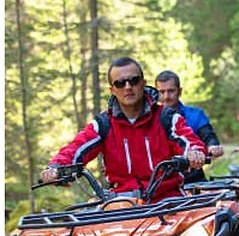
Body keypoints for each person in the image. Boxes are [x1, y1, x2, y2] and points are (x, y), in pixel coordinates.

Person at [40, 57, 206, 202]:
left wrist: (194, 153)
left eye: (133, 80)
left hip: (168, 201)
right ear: (112, 90)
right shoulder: (103, 124)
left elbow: (188, 140)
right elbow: (76, 148)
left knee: (200, 233)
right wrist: (56, 168)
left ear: (143, 82)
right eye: (120, 83)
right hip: (123, 205)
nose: (127, 87)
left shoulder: (166, 118)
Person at [155, 70, 223, 182]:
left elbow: (208, 135)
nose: (166, 96)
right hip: (160, 182)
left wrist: (213, 146)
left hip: (193, 179)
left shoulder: (195, 115)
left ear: (180, 91)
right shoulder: (149, 119)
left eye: (171, 91)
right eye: (161, 92)